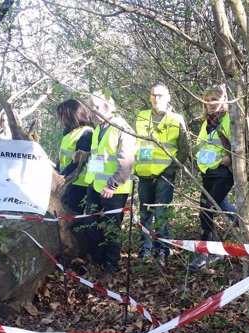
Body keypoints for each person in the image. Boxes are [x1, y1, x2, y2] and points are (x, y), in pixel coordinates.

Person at [134, 82, 189, 265]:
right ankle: (145, 251)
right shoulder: (141, 117)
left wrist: (171, 168)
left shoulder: (176, 119)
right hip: (144, 174)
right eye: (153, 95)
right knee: (145, 212)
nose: (156, 99)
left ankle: (163, 251)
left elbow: (184, 148)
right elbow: (134, 143)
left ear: (168, 98)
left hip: (165, 174)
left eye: (160, 95)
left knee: (161, 212)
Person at [84, 91, 136, 274]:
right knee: (90, 224)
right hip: (94, 185)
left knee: (112, 228)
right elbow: (100, 155)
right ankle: (98, 261)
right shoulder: (98, 128)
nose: (94, 112)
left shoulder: (122, 127)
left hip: (114, 189)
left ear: (108, 106)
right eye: (92, 109)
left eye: (97, 108)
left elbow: (127, 161)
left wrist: (112, 184)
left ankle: (111, 266)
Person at [189, 84, 234, 273]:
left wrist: (230, 158)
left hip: (223, 172)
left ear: (223, 100)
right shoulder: (206, 123)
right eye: (207, 101)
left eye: (214, 100)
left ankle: (206, 254)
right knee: (218, 206)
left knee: (206, 211)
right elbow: (200, 146)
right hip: (208, 172)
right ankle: (243, 228)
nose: (210, 104)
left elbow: (239, 144)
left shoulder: (230, 119)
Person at [56, 99, 94, 214]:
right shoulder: (69, 132)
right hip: (69, 181)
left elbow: (78, 161)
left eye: (62, 115)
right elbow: (63, 157)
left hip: (79, 183)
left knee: (74, 215)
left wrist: (61, 175)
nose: (61, 119)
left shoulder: (86, 132)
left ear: (71, 115)